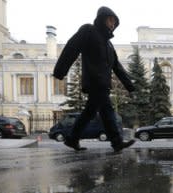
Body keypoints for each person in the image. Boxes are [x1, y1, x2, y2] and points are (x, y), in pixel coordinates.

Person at [53, 6, 135, 152]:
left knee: (90, 112)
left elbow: (117, 67)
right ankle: (117, 142)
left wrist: (130, 86)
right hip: (94, 81)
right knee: (107, 110)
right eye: (110, 20)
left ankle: (72, 139)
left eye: (114, 22)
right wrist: (60, 71)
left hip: (103, 83)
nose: (112, 24)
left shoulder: (109, 45)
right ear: (102, 18)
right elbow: (72, 47)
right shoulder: (89, 31)